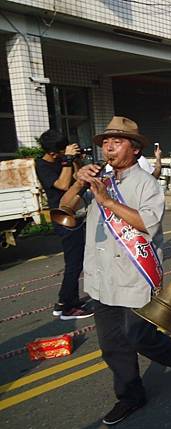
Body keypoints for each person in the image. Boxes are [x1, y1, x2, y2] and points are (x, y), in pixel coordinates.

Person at [60, 116, 171, 426]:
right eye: (106, 142)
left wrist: (107, 201)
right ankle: (130, 396)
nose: (108, 147)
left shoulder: (146, 184)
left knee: (139, 337)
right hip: (101, 277)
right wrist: (79, 183)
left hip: (135, 275)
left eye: (117, 141)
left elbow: (147, 224)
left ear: (135, 149)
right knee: (111, 344)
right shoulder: (100, 180)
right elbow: (65, 207)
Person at [34, 130, 94, 320]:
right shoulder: (42, 165)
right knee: (73, 264)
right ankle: (66, 306)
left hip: (76, 215)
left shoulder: (63, 160)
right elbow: (62, 184)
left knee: (77, 262)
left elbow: (78, 178)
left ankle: (71, 301)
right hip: (63, 218)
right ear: (53, 153)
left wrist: (75, 160)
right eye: (61, 152)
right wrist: (67, 159)